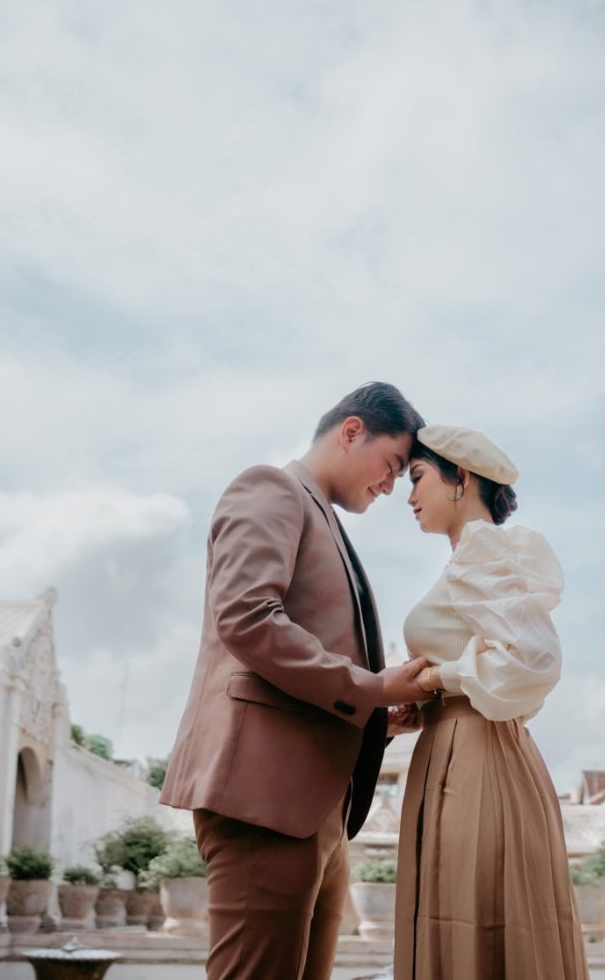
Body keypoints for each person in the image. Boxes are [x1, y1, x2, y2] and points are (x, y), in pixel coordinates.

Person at [160, 382, 436, 980]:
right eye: (392, 465)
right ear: (352, 431)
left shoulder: (324, 518)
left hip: (318, 810)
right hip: (264, 800)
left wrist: (378, 717)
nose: (391, 486)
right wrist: (373, 688)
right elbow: (247, 617)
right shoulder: (271, 488)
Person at [389, 423, 589, 980]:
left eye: (418, 477)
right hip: (460, 748)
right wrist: (424, 700)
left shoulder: (481, 550)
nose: (410, 495)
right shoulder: (470, 557)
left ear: (462, 477)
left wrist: (438, 678)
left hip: (475, 756)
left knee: (474, 917)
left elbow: (533, 659)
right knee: (464, 917)